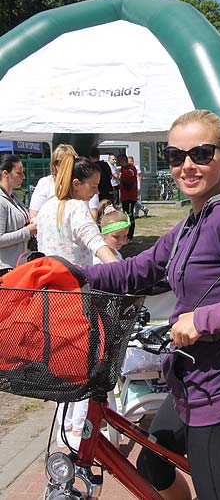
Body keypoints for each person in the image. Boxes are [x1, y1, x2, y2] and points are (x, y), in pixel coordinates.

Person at [77, 109, 220, 500]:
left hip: (217, 401)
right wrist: (69, 272)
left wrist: (206, 319)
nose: (186, 165)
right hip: (186, 384)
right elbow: (137, 270)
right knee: (152, 462)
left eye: (201, 154)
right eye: (175, 156)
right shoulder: (191, 222)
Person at [36, 152, 118, 448]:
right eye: (93, 187)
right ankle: (80, 433)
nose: (95, 193)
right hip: (76, 298)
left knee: (61, 367)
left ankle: (63, 429)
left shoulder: (46, 208)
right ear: (76, 184)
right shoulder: (76, 209)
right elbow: (96, 243)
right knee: (89, 367)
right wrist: (120, 270)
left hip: (48, 299)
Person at [30, 144, 99, 220]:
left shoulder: (84, 183)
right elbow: (34, 215)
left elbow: (93, 212)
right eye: (58, 162)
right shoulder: (45, 183)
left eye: (68, 162)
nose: (64, 165)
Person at [0, 154, 36, 275]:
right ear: (5, 174)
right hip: (5, 269)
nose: (23, 177)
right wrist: (27, 231)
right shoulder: (1, 201)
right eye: (19, 173)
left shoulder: (14, 197)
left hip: (19, 265)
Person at [116, 154, 138, 242]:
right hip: (124, 196)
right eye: (119, 161)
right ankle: (125, 235)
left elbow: (129, 178)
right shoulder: (124, 169)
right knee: (125, 215)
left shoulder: (131, 168)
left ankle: (129, 236)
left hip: (130, 196)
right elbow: (123, 182)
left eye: (121, 160)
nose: (120, 162)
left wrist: (123, 169)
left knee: (130, 215)